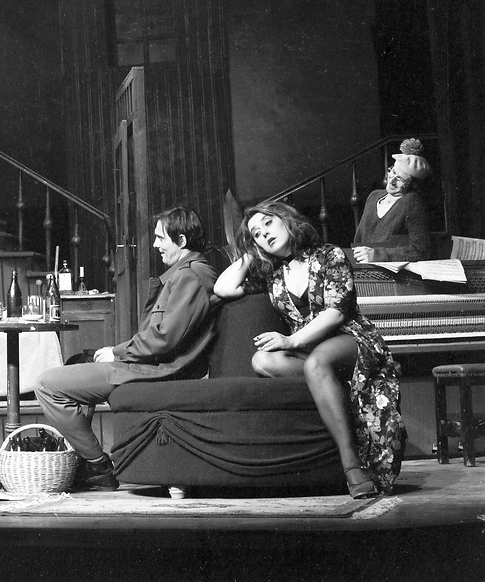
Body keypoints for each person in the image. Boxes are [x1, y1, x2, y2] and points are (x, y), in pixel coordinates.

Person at [215, 201, 405, 498]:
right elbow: (222, 287)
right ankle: (333, 387)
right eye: (256, 234)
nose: (264, 234)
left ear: (286, 220)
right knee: (262, 360)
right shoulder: (273, 274)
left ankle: (351, 466)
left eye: (268, 223)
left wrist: (291, 341)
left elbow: (336, 313)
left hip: (349, 339)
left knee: (317, 362)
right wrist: (252, 252)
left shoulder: (329, 254)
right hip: (312, 352)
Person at [34, 206, 219, 491]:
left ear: (181, 241)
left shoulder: (191, 276)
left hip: (156, 372)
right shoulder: (185, 274)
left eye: (160, 238)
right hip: (149, 365)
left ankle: (97, 466)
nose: (155, 245)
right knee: (77, 362)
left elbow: (164, 339)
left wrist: (117, 352)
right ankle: (87, 461)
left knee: (47, 384)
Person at [352, 138, 433, 262]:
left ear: (413, 185)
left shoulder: (412, 202)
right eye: (392, 171)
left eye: (400, 179)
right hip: (362, 266)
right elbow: (358, 240)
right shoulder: (374, 196)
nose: (392, 180)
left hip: (388, 271)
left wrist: (378, 255)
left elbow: (421, 250)